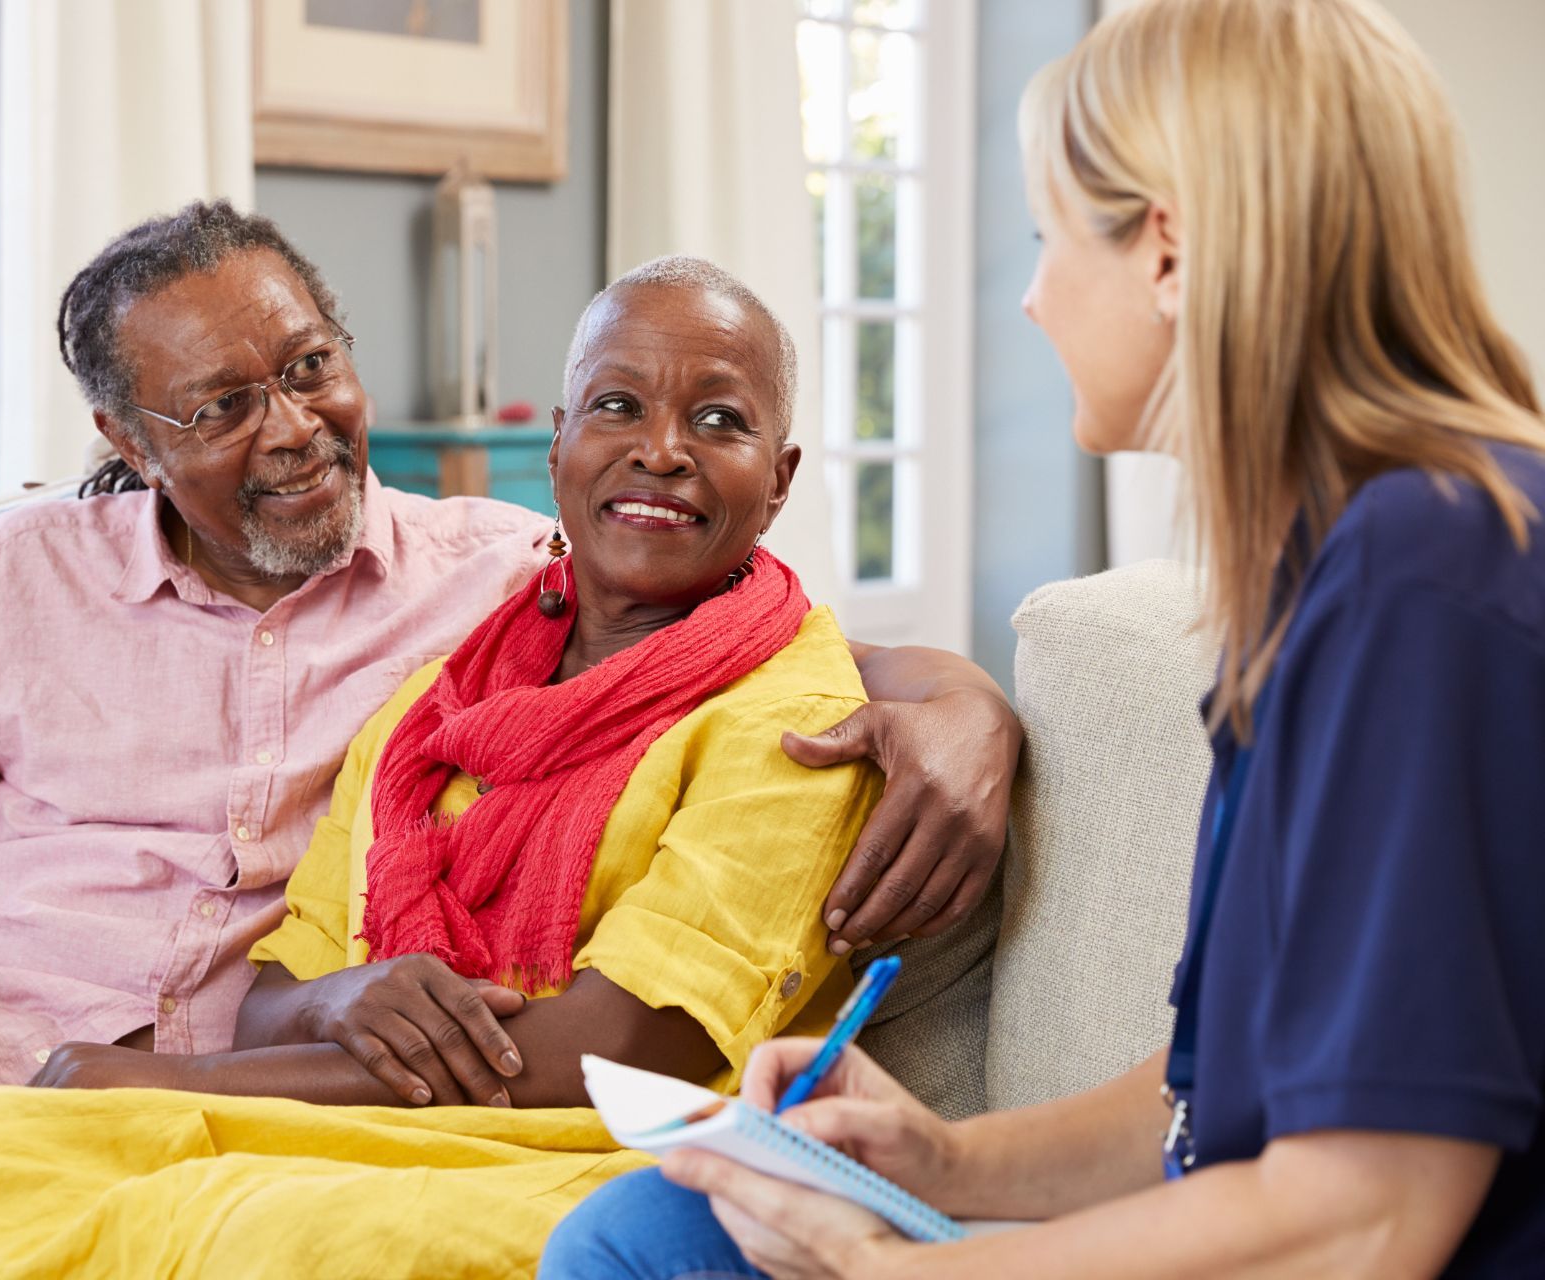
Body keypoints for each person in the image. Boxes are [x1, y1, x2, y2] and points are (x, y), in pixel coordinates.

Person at [0, 205, 1019, 1277]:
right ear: (124, 436)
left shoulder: (499, 583)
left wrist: (968, 704)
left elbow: (748, 639)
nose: (296, 428)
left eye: (311, 368)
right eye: (221, 406)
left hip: (150, 1100)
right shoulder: (28, 580)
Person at [543, 0, 1545, 1276]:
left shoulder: (1432, 573)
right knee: (654, 1225)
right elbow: (1204, 1101)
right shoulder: (1326, 578)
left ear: (1168, 252)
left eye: (1046, 235)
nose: (1028, 298)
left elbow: (1366, 1215)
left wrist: (894, 1269)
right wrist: (937, 1155)